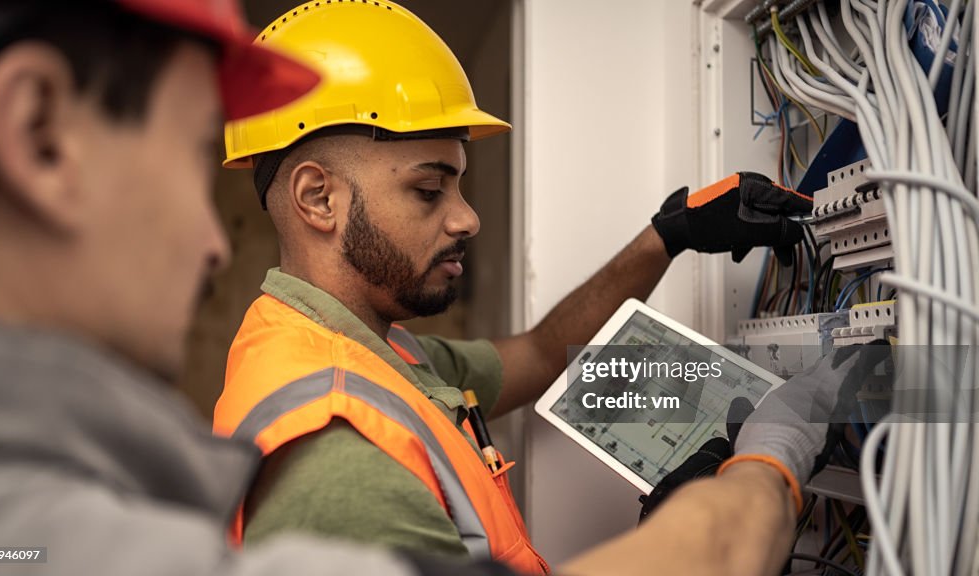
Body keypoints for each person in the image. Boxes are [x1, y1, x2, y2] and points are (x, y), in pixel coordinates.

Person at [211, 1, 820, 573]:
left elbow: (539, 351)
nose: (466, 218)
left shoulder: (373, 352)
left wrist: (667, 234)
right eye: (429, 189)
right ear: (320, 199)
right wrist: (760, 474)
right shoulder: (334, 453)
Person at [0, 1, 510, 575]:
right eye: (196, 153)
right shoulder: (332, 445)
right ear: (38, 133)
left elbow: (537, 354)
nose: (216, 243)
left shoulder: (388, 351)